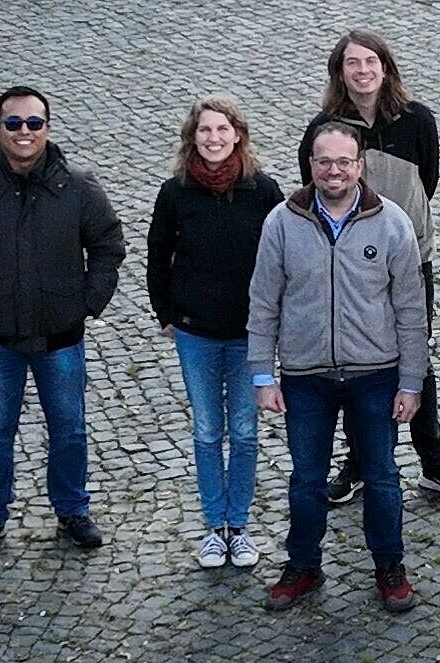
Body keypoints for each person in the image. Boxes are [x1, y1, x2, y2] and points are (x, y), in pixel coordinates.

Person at [0, 85, 127, 559]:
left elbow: (108, 245)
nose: (24, 132)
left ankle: (73, 509)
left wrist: (87, 303)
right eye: (14, 123)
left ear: (47, 128)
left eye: (34, 123)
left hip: (61, 336)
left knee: (70, 428)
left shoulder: (78, 187)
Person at [249, 121, 427, 613]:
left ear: (359, 165)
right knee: (306, 479)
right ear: (310, 165)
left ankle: (389, 566)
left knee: (382, 476)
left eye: (344, 162)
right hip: (306, 377)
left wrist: (412, 381)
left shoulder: (391, 222)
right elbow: (263, 301)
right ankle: (303, 564)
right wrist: (262, 374)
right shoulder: (281, 223)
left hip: (376, 374)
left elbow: (411, 308)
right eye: (324, 161)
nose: (334, 171)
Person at [299, 28, 440, 506]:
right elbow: (316, 189)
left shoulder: (417, 121)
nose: (363, 71)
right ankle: (359, 463)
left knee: (417, 357)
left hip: (412, 259)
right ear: (340, 71)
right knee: (356, 363)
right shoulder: (324, 128)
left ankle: (434, 463)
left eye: (371, 61)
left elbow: (427, 182)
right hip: (349, 266)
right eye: (353, 63)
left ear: (385, 67)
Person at [147, 96, 285, 569]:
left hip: (250, 334)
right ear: (193, 137)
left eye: (222, 129)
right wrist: (165, 312)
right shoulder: (175, 193)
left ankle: (238, 525)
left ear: (238, 135)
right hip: (196, 333)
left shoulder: (263, 191)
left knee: (244, 431)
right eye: (205, 130)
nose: (214, 138)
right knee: (207, 431)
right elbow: (158, 255)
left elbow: (282, 257)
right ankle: (214, 526)